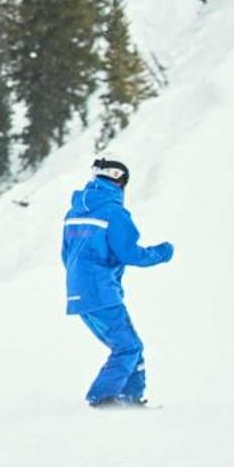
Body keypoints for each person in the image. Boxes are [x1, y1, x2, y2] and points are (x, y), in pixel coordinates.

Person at [62, 157, 173, 408]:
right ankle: (102, 400)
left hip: (78, 293)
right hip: (101, 292)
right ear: (119, 181)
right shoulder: (113, 212)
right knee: (127, 348)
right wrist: (162, 253)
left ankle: (130, 398)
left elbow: (66, 255)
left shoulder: (74, 212)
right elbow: (129, 253)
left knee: (130, 347)